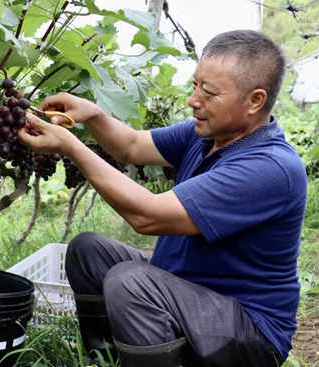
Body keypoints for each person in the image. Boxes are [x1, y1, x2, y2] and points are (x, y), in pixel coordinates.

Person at [17, 29, 307, 367]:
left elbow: (148, 217)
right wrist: (94, 115)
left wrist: (71, 146)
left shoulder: (269, 168)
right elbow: (131, 146)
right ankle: (108, 359)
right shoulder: (208, 134)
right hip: (189, 292)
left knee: (131, 283)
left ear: (255, 100)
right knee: (88, 252)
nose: (193, 100)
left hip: (248, 331)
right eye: (196, 84)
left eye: (209, 92)